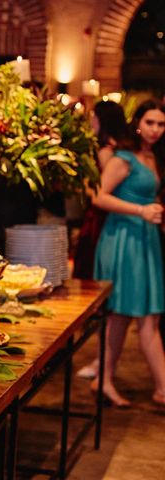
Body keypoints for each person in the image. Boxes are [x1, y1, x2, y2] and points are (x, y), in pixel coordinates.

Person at [92, 99, 165, 407]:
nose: (155, 130)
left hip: (144, 238)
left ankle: (104, 380)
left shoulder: (151, 156)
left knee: (132, 317)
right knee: (132, 316)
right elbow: (99, 197)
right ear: (138, 122)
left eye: (161, 124)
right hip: (123, 238)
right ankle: (160, 387)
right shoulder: (124, 157)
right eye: (150, 122)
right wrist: (140, 210)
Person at [74, 100, 129, 280]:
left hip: (100, 215)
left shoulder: (106, 150)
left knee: (91, 261)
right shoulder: (119, 146)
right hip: (104, 213)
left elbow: (105, 189)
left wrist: (82, 188)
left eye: (93, 117)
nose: (91, 122)